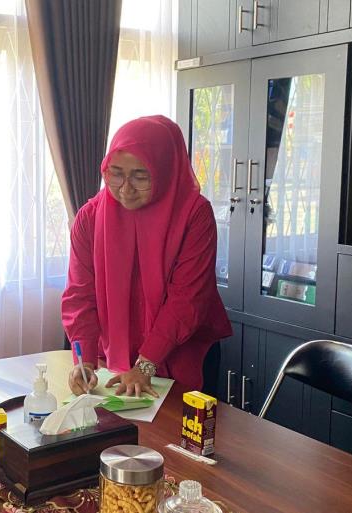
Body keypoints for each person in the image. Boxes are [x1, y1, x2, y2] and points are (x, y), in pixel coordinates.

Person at [62, 115, 231, 397]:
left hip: (182, 353)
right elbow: (80, 294)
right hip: (113, 358)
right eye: (115, 173)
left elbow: (187, 298)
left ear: (164, 171)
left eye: (140, 177)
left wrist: (146, 364)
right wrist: (85, 362)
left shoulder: (194, 214)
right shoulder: (90, 217)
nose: (125, 189)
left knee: (179, 426)